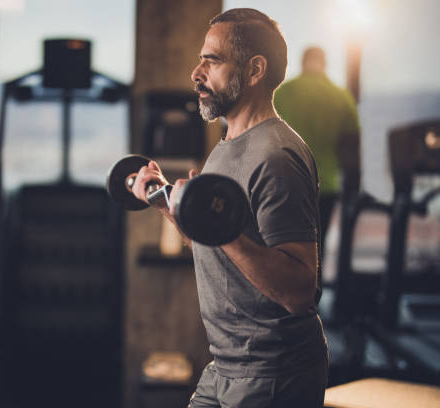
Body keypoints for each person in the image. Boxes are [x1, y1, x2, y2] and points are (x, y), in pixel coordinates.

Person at [132, 8, 328, 408]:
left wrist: (215, 224)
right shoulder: (225, 147)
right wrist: (166, 202)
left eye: (213, 60)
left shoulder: (277, 156)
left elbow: (299, 290)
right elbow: (215, 242)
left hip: (273, 372)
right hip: (225, 365)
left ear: (255, 70)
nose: (196, 72)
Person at [274, 46, 361, 260]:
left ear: (303, 63)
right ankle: (310, 292)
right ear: (324, 64)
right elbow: (351, 151)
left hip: (282, 186)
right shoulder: (342, 98)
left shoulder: (281, 94)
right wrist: (353, 191)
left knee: (278, 250)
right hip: (324, 188)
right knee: (314, 253)